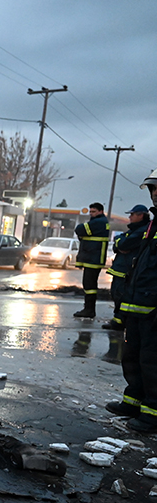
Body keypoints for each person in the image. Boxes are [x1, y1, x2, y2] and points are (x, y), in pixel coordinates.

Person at [104, 169, 157, 433]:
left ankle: (153, 414)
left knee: (152, 360)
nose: (156, 193)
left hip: (154, 308)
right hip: (138, 303)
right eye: (154, 188)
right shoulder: (152, 226)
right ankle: (133, 402)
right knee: (133, 355)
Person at [101, 204, 151, 330]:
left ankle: (120, 321)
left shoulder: (142, 230)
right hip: (121, 269)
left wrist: (120, 242)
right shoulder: (134, 229)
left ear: (141, 215)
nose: (130, 217)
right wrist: (120, 241)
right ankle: (119, 320)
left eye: (132, 214)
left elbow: (124, 244)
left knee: (121, 296)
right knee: (116, 295)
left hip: (127, 271)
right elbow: (118, 243)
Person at [73, 202, 110, 318]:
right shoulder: (99, 222)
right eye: (90, 211)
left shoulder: (99, 222)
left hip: (93, 258)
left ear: (100, 211)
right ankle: (88, 309)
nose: (91, 214)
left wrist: (83, 232)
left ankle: (89, 310)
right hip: (93, 258)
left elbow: (79, 229)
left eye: (94, 211)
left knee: (89, 285)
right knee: (89, 285)